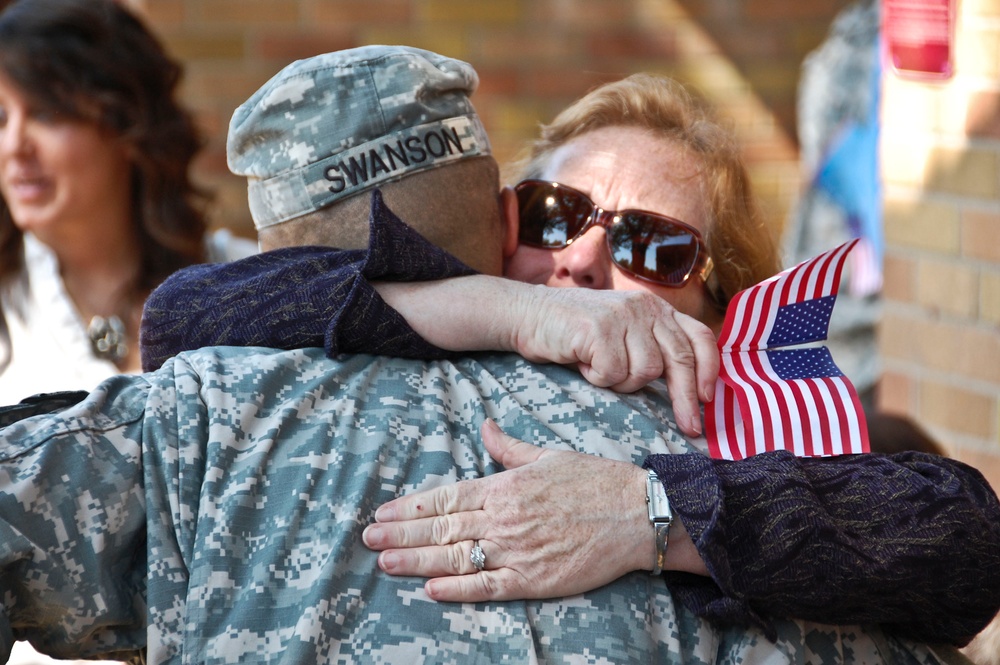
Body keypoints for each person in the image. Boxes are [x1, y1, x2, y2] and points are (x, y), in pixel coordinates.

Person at [1, 46, 978, 664]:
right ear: (502, 219)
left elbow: (962, 533)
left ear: (717, 311)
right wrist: (483, 305)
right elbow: (188, 316)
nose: (586, 259)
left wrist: (654, 510)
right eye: (559, 218)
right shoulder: (276, 373)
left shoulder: (762, 457)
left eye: (653, 246)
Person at [0, 0, 254, 404]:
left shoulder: (249, 288)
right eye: (1, 117)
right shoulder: (8, 309)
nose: (14, 145)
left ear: (128, 124)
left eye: (47, 113)